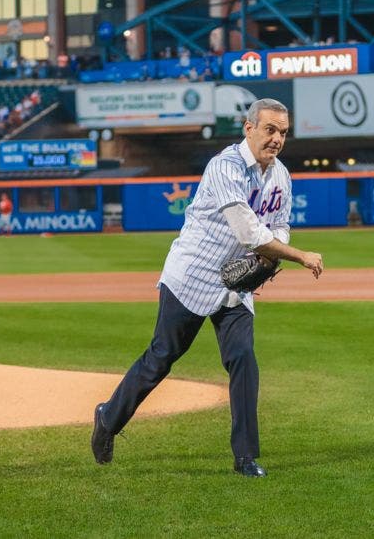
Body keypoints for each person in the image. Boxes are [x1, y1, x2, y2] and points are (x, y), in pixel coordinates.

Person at [91, 99, 324, 478]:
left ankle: (246, 457)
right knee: (161, 357)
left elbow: (279, 223)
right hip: (192, 275)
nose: (277, 138)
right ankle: (108, 417)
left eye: (283, 131)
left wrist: (272, 256)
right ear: (248, 128)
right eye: (270, 129)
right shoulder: (225, 166)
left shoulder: (281, 174)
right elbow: (248, 231)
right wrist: (297, 255)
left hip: (236, 282)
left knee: (242, 359)